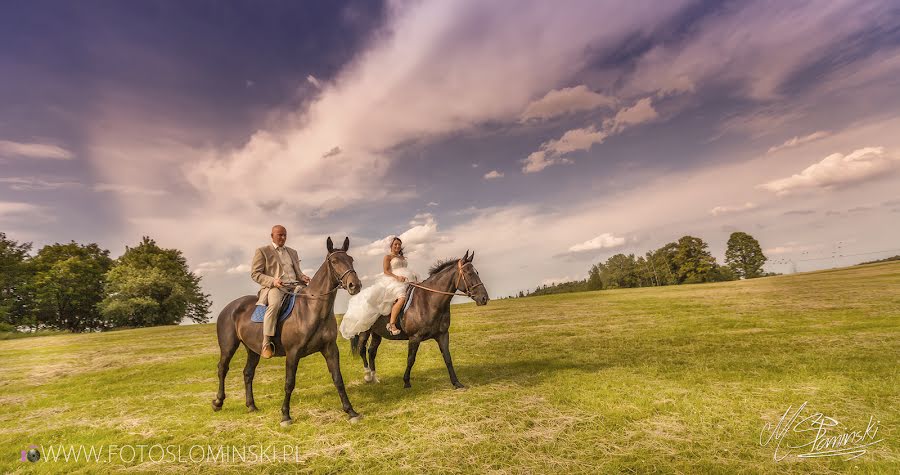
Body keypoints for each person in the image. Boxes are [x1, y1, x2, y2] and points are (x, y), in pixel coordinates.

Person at [250, 225, 310, 358]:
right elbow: (255, 274)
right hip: (276, 287)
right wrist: (273, 281)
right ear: (272, 236)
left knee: (312, 298)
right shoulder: (262, 251)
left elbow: (297, 272)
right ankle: (266, 342)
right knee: (275, 305)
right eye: (280, 235)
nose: (283, 237)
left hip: (295, 285)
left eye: (285, 235)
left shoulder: (292, 252)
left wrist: (303, 277)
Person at [340, 236, 418, 338]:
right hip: (394, 280)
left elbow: (404, 268)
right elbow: (386, 271)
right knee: (402, 298)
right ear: (391, 246)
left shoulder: (402, 258)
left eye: (399, 244)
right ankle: (392, 324)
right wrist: (397, 277)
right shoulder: (388, 257)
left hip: (407, 279)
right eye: (395, 244)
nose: (398, 246)